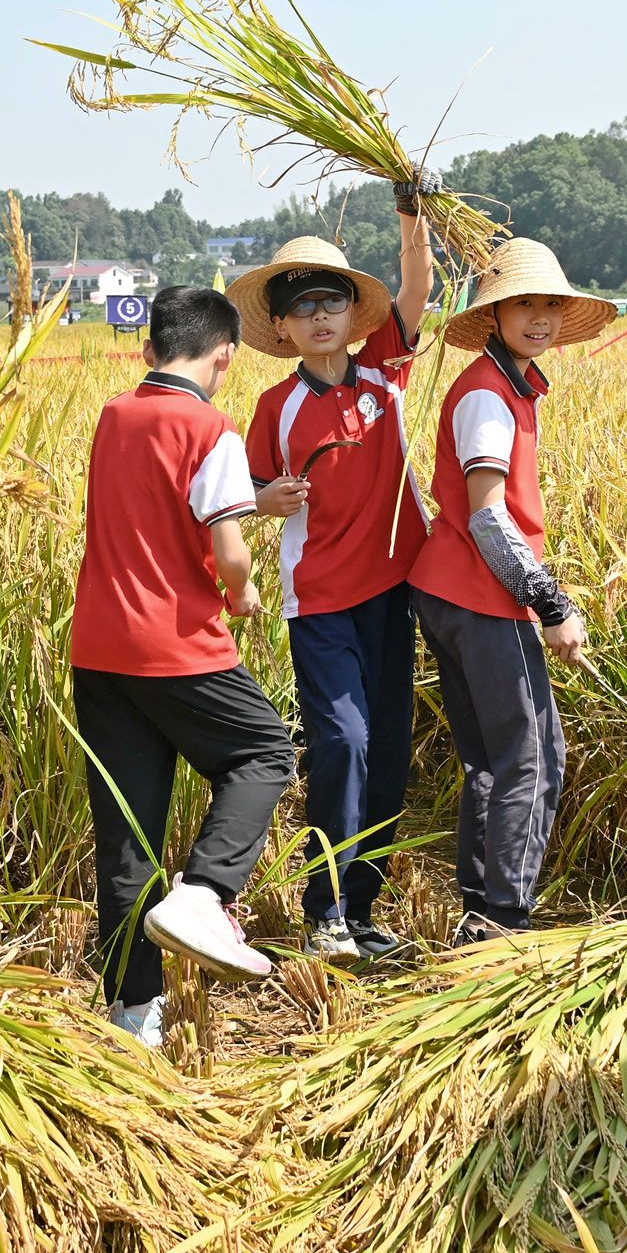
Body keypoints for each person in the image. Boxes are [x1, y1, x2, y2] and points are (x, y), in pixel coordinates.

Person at [71, 285, 297, 1047]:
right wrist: (244, 591)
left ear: (148, 349)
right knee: (264, 751)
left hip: (99, 650)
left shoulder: (113, 416)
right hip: (176, 644)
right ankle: (205, 894)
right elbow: (229, 547)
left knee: (128, 834)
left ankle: (133, 1013)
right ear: (225, 355)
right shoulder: (211, 427)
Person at [233, 199, 435, 963]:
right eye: (303, 307)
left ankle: (360, 907)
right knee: (343, 744)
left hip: (392, 593)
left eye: (333, 302)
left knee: (386, 752)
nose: (321, 317)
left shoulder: (386, 369)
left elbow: (416, 285)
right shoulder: (275, 407)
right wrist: (264, 500)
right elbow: (240, 498)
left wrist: (410, 208)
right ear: (281, 327)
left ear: (355, 315)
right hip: (319, 601)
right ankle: (322, 912)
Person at [408, 237, 614, 943]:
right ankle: (502, 918)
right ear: (493, 314)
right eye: (523, 303)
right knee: (533, 753)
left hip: (452, 590)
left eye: (551, 304)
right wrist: (550, 603)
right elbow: (489, 513)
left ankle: (478, 907)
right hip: (479, 594)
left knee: (492, 759)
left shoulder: (506, 385)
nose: (541, 317)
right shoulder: (488, 397)